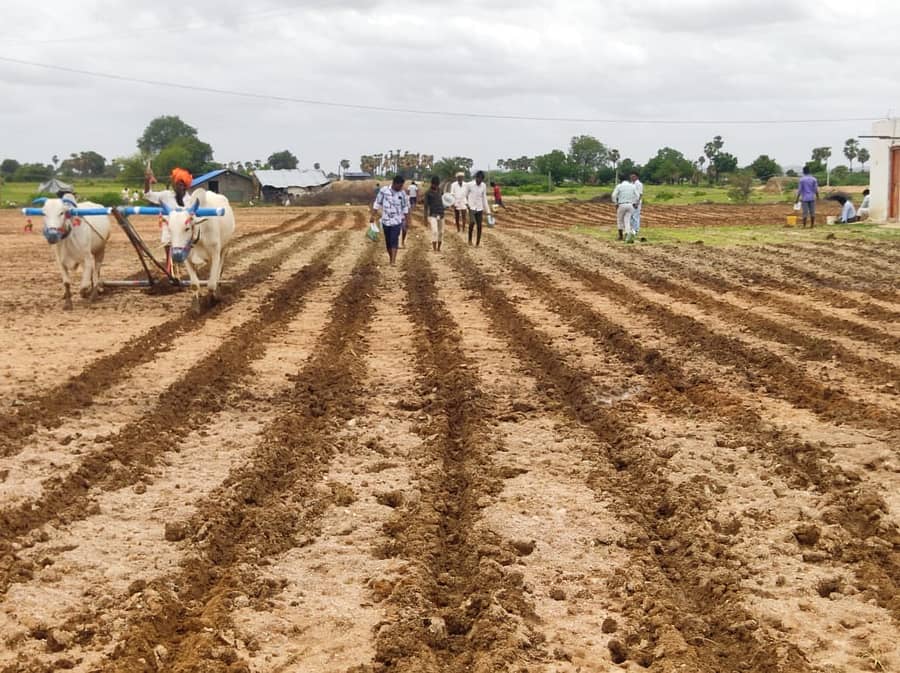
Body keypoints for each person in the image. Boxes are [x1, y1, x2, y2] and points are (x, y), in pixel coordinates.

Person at [144, 166, 193, 271]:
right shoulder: (166, 195)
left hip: (184, 230)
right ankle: (169, 267)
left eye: (181, 185)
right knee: (167, 242)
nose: (178, 187)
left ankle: (186, 266)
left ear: (185, 186)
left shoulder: (190, 200)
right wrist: (147, 180)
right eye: (176, 184)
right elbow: (148, 195)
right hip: (169, 227)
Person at [371, 174, 410, 266]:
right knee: (388, 242)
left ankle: (393, 261)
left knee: (394, 239)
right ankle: (391, 257)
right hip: (385, 220)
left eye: (402, 186)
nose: (400, 187)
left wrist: (407, 220)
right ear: (394, 183)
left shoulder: (402, 194)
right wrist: (373, 215)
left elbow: (405, 208)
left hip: (397, 221)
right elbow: (377, 203)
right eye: (399, 185)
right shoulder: (384, 191)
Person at [465, 170, 491, 247]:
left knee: (479, 226)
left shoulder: (483, 185)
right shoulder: (469, 185)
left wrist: (488, 210)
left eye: (481, 179)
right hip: (471, 207)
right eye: (478, 179)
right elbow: (465, 196)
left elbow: (484, 198)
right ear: (476, 177)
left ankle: (477, 243)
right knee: (472, 223)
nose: (479, 181)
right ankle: (469, 240)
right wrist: (467, 205)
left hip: (479, 208)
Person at [611, 176, 639, 243]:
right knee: (627, 220)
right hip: (630, 205)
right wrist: (635, 202)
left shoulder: (619, 186)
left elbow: (613, 195)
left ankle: (620, 236)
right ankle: (627, 235)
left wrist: (615, 203)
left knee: (620, 220)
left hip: (622, 204)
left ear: (621, 180)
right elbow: (637, 196)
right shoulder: (632, 186)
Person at [423, 175, 445, 252]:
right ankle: (434, 248)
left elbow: (444, 200)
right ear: (431, 184)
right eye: (434, 184)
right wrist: (425, 219)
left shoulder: (440, 190)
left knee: (441, 232)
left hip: (441, 214)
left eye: (437, 184)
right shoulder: (428, 193)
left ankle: (439, 248)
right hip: (433, 215)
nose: (435, 186)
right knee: (435, 231)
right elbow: (425, 206)